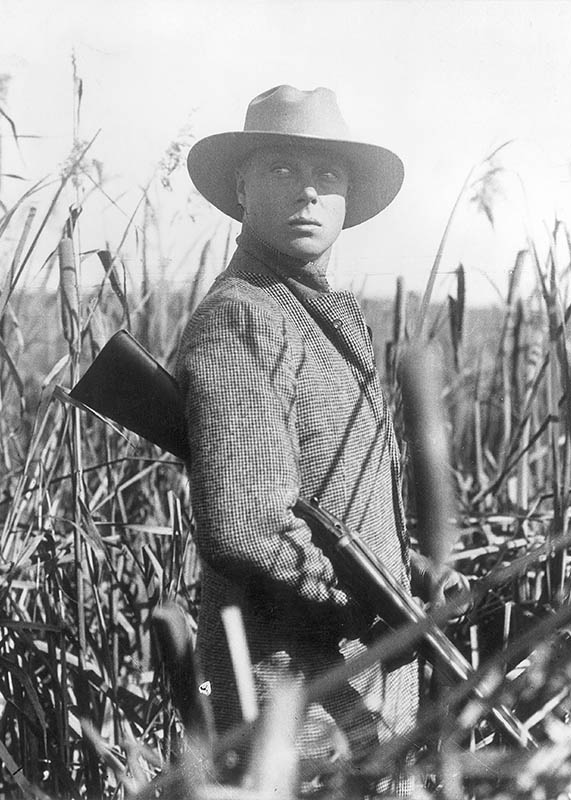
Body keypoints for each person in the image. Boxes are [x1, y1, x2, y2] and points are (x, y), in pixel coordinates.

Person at [176, 85, 466, 797]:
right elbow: (245, 529)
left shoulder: (312, 313)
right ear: (241, 186)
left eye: (326, 176)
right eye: (280, 169)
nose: (307, 192)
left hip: (352, 685)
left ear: (345, 201)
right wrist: (371, 605)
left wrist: (412, 577)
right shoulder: (244, 318)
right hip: (290, 698)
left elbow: (345, 504)